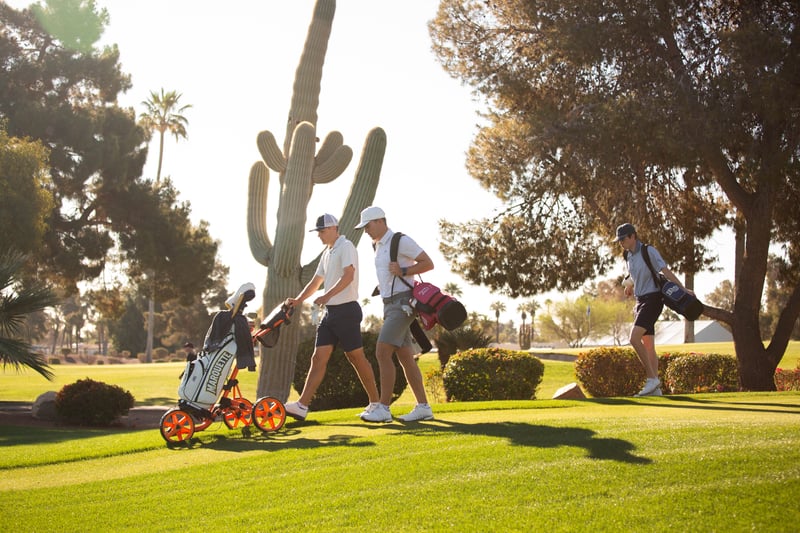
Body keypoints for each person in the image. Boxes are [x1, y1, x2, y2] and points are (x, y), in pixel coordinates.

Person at [283, 214, 380, 421]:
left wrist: (327, 296)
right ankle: (302, 405)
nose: (319, 235)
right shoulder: (327, 253)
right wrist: (298, 300)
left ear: (334, 228)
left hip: (346, 311)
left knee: (356, 358)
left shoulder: (346, 247)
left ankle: (376, 404)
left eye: (322, 231)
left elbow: (348, 276)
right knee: (318, 358)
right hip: (331, 314)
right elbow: (316, 281)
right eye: (318, 231)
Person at [354, 206, 435, 422]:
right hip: (389, 304)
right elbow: (388, 272)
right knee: (405, 357)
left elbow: (428, 263)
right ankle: (424, 407)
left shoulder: (401, 240)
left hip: (403, 304)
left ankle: (384, 408)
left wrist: (405, 271)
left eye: (368, 226)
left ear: (380, 221)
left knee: (382, 352)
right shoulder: (377, 245)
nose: (366, 231)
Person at [616, 222, 694, 396]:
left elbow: (665, 271)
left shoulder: (648, 251)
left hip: (653, 300)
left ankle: (652, 379)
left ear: (632, 236)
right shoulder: (627, 256)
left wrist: (682, 289)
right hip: (640, 301)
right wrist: (629, 285)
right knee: (648, 344)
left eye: (623, 239)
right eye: (619, 240)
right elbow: (634, 274)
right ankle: (656, 390)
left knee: (634, 339)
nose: (621, 242)